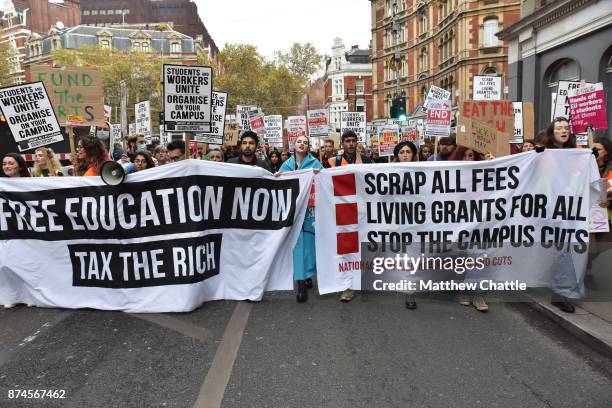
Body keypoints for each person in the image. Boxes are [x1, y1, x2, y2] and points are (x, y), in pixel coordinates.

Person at [278, 135, 323, 302]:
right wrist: (276, 177)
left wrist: (320, 174)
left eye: (305, 142)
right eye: (299, 142)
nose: (302, 144)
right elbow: (279, 184)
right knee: (297, 246)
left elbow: (325, 181)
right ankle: (301, 285)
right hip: (293, 213)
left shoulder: (315, 164)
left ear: (308, 146)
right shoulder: (286, 165)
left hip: (310, 212)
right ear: (294, 145)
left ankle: (308, 274)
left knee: (310, 246)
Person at [328, 130, 371, 302]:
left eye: (353, 141)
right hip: (342, 212)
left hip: (363, 212)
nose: (351, 144)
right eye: (347, 141)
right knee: (345, 249)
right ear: (342, 144)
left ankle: (362, 280)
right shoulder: (333, 162)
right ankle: (346, 286)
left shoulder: (367, 161)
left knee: (363, 247)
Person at [393, 141, 419, 309]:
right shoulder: (389, 172)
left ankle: (410, 291)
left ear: (413, 154)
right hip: (396, 222)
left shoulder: (426, 171)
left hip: (417, 221)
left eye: (408, 151)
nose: (405, 154)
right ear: (397, 155)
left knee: (413, 256)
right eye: (401, 152)